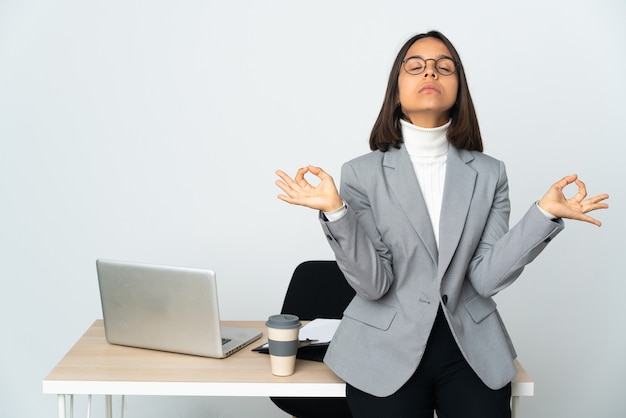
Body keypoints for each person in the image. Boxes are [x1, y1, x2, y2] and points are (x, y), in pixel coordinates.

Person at [274, 30, 609, 418]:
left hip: (471, 348)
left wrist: (543, 215)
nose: (430, 73)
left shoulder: (489, 173)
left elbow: (485, 279)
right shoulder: (360, 174)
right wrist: (337, 212)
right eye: (415, 66)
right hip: (383, 348)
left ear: (458, 91)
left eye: (444, 67)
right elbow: (373, 283)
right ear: (396, 93)